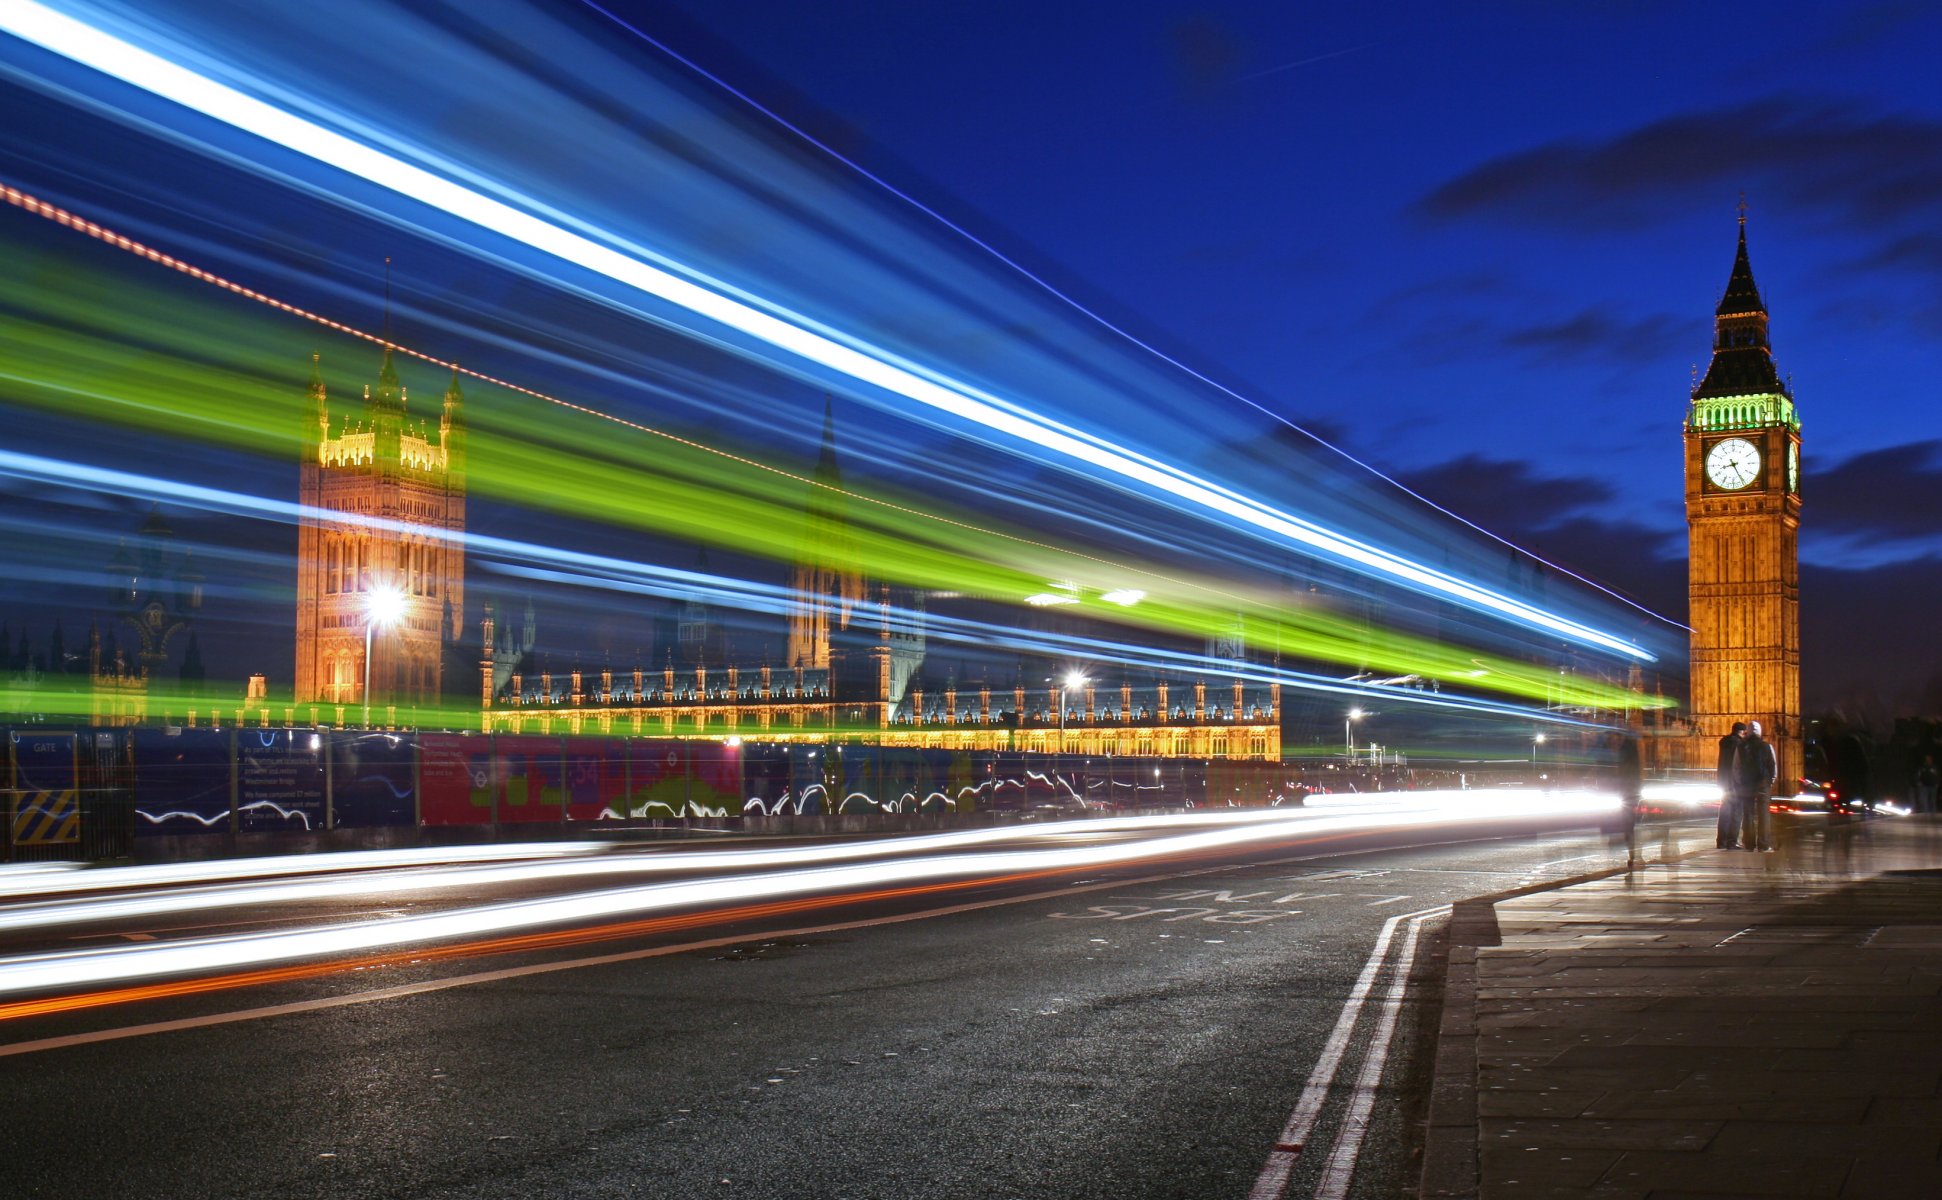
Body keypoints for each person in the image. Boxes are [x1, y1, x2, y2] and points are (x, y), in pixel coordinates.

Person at [1737, 720, 1778, 851]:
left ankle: (1749, 844)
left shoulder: (1741, 747)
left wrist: (1739, 781)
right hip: (1763, 785)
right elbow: (1773, 767)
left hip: (1746, 784)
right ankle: (1764, 844)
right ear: (1760, 732)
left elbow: (1736, 767)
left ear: (1747, 732)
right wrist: (1769, 781)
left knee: (1748, 814)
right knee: (1764, 814)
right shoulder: (1767, 746)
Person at [1716, 721, 1747, 849]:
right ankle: (1731, 841)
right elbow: (1741, 765)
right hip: (1736, 782)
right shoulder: (1740, 744)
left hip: (1723, 781)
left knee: (1725, 811)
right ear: (1742, 732)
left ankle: (1721, 841)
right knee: (1737, 812)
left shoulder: (1724, 743)